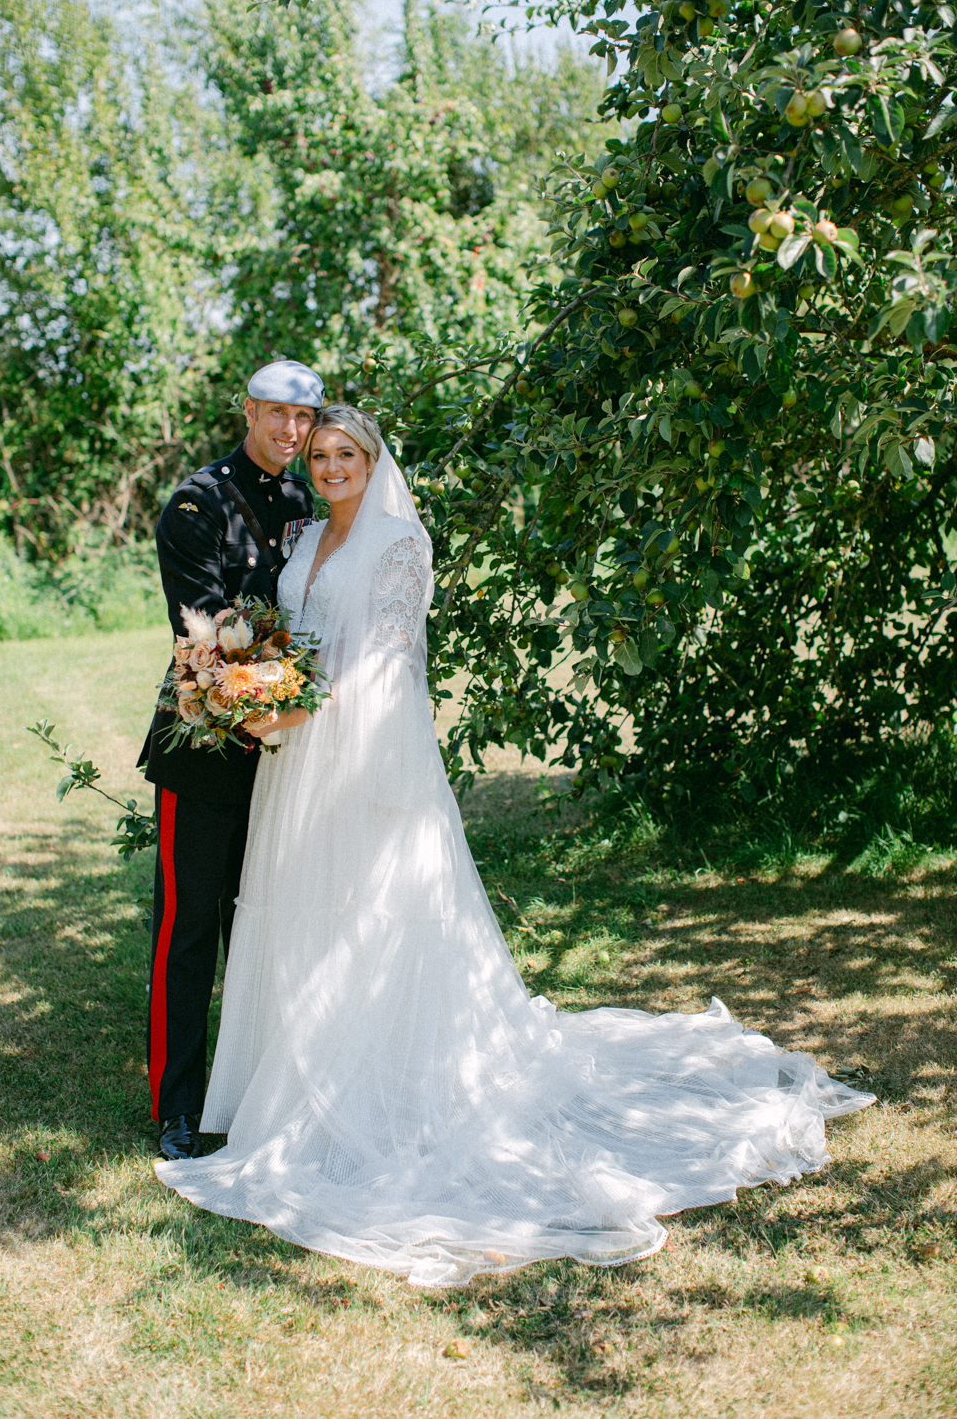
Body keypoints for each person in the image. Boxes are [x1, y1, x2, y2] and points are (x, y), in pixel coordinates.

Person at [156, 405, 875, 1287]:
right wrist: (259, 695)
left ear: (376, 461)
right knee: (304, 912)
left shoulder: (398, 544)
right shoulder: (303, 538)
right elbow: (287, 636)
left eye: (350, 453)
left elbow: (385, 660)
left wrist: (297, 708)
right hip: (296, 756)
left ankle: (380, 1092)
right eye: (322, 454)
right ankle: (294, 1087)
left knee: (373, 918)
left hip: (363, 750)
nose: (334, 465)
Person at [139, 359, 323, 1162]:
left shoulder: (305, 498)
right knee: (187, 932)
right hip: (206, 748)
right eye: (277, 415)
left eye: (304, 419)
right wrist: (290, 693)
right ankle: (176, 1108)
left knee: (263, 926)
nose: (290, 432)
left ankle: (252, 1091)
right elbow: (206, 630)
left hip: (282, 756)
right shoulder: (198, 500)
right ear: (248, 411)